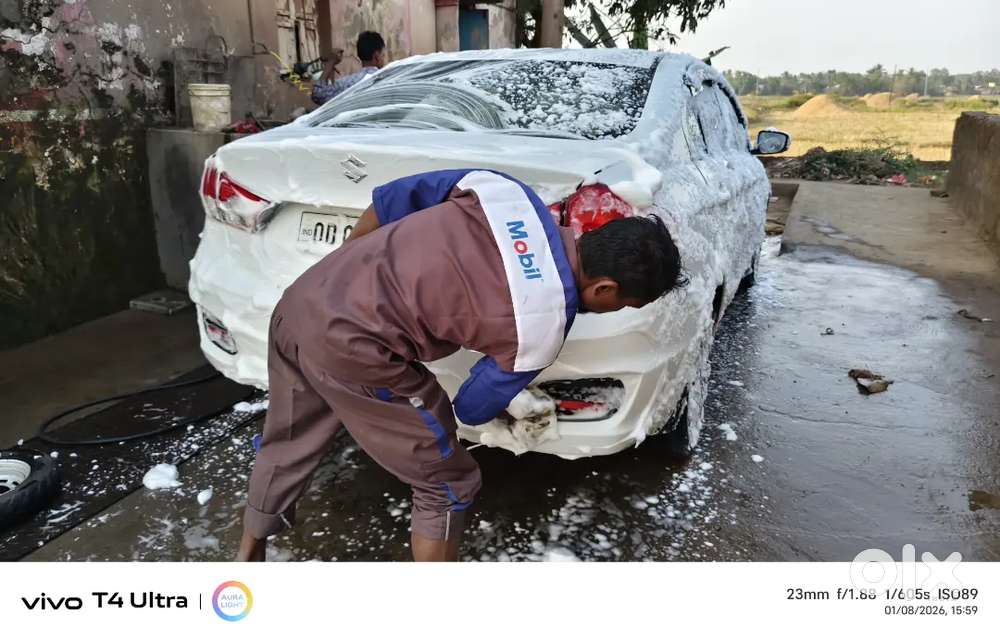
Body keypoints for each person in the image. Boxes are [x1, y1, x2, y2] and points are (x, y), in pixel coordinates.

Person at [237, 169, 687, 562]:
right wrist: (507, 395)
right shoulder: (546, 323)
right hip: (354, 348)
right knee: (448, 481)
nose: (617, 311)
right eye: (626, 305)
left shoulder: (503, 192)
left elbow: (389, 199)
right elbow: (470, 409)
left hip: (302, 299)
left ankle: (248, 554)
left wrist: (346, 273)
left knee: (289, 436)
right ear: (605, 289)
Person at [312, 31, 386, 105]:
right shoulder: (387, 81)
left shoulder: (348, 83)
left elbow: (318, 94)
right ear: (376, 57)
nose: (384, 59)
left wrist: (331, 62)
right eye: (383, 55)